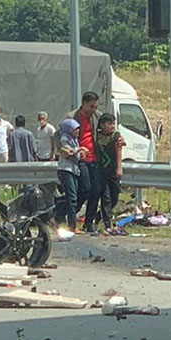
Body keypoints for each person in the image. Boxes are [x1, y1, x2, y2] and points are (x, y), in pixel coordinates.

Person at [68, 91, 101, 233]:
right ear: (84, 104)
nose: (93, 109)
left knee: (96, 190)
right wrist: (74, 150)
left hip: (94, 158)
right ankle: (69, 214)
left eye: (95, 106)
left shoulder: (97, 117)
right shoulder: (72, 118)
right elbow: (60, 136)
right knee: (85, 188)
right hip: (80, 158)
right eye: (91, 106)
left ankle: (89, 222)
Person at [94, 113, 126, 230]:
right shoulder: (97, 137)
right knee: (106, 198)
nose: (112, 126)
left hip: (113, 171)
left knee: (114, 197)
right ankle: (108, 224)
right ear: (102, 125)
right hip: (101, 171)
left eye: (113, 123)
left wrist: (119, 167)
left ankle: (99, 216)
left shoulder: (116, 136)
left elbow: (119, 151)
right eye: (109, 123)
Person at [55, 118, 83, 231]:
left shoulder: (74, 140)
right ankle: (72, 226)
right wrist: (78, 150)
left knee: (72, 197)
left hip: (74, 169)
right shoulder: (64, 139)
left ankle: (57, 216)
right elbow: (66, 153)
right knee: (72, 198)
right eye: (75, 129)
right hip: (66, 170)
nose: (77, 132)